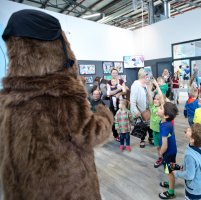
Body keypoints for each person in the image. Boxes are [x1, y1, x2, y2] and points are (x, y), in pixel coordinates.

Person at [0, 9, 113, 200]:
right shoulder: (62, 96)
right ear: (58, 47)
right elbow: (90, 133)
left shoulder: (6, 99)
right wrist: (105, 114)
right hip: (70, 190)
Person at [173, 124, 201, 200]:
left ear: (192, 139)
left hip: (194, 190)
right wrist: (185, 166)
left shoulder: (190, 155)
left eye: (190, 130)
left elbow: (190, 175)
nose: (187, 129)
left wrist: (176, 174)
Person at [157, 102, 179, 199]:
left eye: (161, 108)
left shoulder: (165, 126)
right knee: (169, 169)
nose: (158, 108)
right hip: (171, 150)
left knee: (169, 172)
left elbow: (165, 145)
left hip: (168, 152)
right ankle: (170, 182)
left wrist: (160, 153)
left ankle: (171, 192)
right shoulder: (165, 122)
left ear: (165, 115)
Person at [130, 68, 153, 148]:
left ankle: (151, 137)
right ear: (143, 75)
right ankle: (142, 139)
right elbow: (132, 101)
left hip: (149, 108)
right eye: (147, 74)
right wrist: (135, 111)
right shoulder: (135, 85)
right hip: (141, 110)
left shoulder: (146, 85)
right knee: (142, 126)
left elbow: (149, 96)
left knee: (150, 125)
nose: (148, 76)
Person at [107, 68, 127, 141]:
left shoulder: (121, 81)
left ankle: (122, 134)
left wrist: (119, 93)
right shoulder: (109, 82)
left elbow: (125, 91)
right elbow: (109, 93)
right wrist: (118, 90)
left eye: (116, 73)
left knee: (122, 119)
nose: (114, 74)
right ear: (111, 74)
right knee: (114, 119)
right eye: (113, 73)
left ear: (117, 74)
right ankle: (115, 135)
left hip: (121, 103)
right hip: (112, 104)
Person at [148, 79, 164, 168]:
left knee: (163, 146)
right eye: (155, 99)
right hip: (154, 130)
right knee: (158, 146)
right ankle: (160, 157)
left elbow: (161, 96)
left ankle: (165, 157)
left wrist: (157, 85)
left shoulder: (162, 107)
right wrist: (150, 87)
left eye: (158, 99)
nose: (155, 100)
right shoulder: (152, 106)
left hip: (162, 131)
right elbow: (150, 95)